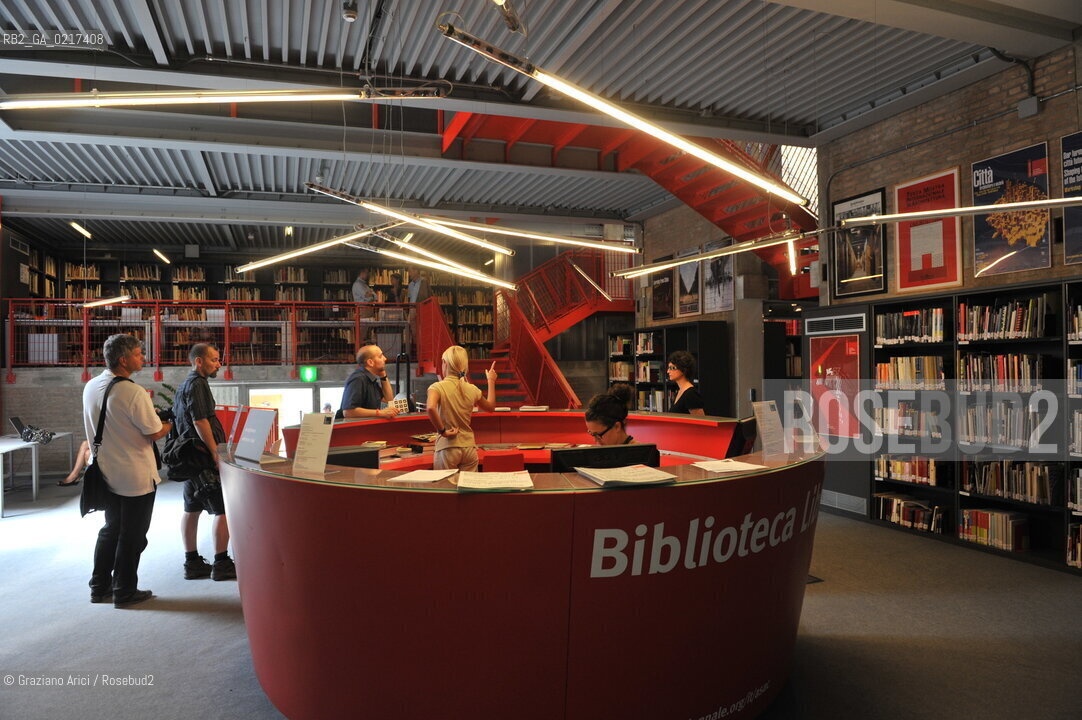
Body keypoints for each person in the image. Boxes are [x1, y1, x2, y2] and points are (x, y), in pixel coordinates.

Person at [83, 333, 171, 608]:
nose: (143, 357)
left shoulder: (91, 385)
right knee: (132, 535)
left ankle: (99, 586)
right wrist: (170, 423)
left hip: (106, 472)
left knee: (111, 529)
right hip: (135, 476)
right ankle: (124, 590)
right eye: (138, 353)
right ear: (123, 360)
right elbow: (154, 432)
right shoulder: (132, 391)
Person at [171, 343, 236, 582]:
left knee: (192, 508)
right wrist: (215, 453)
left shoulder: (184, 385)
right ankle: (221, 563)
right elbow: (200, 421)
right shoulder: (198, 384)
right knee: (223, 509)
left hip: (189, 458)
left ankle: (192, 562)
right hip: (201, 458)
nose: (219, 364)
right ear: (199, 361)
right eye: (214, 360)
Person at [426, 345, 497, 471]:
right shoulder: (472, 389)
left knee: (445, 488)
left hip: (447, 448)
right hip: (469, 448)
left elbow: (430, 408)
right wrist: (491, 380)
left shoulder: (437, 387)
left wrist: (442, 431)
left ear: (445, 363)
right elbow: (491, 407)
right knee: (468, 489)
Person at [339, 345, 400, 418]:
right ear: (370, 362)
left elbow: (388, 399)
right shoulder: (358, 379)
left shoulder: (371, 380)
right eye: (380, 356)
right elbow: (348, 412)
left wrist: (383, 376)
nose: (385, 358)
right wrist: (380, 413)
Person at [666, 350, 705, 416]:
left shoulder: (690, 394)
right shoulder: (680, 391)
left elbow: (701, 421)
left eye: (672, 368)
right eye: (668, 368)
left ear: (684, 370)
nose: (668, 371)